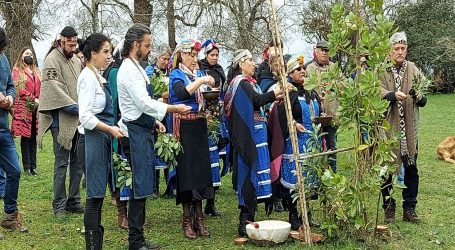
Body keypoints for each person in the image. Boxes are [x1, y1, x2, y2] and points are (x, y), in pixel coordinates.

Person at [117, 24, 191, 250]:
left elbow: (142, 107)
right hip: (134, 133)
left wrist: (154, 121)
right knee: (139, 188)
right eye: (147, 45)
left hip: (143, 127)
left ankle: (138, 239)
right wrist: (172, 110)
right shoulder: (128, 69)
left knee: (143, 186)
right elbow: (142, 103)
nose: (150, 49)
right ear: (135, 45)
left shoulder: (137, 67)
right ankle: (135, 242)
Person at [224, 49, 285, 236]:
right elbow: (257, 100)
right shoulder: (240, 84)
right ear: (241, 64)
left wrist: (276, 98)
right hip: (248, 138)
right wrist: (275, 93)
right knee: (248, 173)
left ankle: (251, 216)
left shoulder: (251, 83)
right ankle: (245, 220)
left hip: (258, 136)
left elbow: (259, 103)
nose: (254, 63)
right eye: (250, 60)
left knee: (257, 173)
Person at [77, 33, 125, 249]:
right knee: (94, 196)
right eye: (105, 51)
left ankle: (96, 243)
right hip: (93, 139)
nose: (109, 55)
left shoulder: (98, 75)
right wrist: (109, 129)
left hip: (102, 138)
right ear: (92, 54)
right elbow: (85, 117)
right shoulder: (87, 77)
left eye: (109, 51)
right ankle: (92, 245)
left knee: (98, 195)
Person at [169, 39, 216, 240]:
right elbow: (180, 93)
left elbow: (201, 95)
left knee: (201, 172)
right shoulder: (176, 74)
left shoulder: (195, 74)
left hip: (199, 125)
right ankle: (187, 219)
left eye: (196, 55)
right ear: (181, 55)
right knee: (187, 173)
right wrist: (202, 81)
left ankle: (199, 217)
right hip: (184, 126)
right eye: (190, 55)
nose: (194, 59)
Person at [268, 55, 322, 230]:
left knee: (308, 179)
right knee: (295, 181)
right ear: (290, 73)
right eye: (299, 69)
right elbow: (279, 114)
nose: (303, 71)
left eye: (303, 68)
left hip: (312, 140)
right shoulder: (288, 91)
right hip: (295, 141)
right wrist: (293, 124)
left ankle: (306, 214)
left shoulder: (310, 92)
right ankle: (293, 215)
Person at [380, 32, 427, 224]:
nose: (400, 52)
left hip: (409, 129)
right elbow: (376, 91)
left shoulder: (413, 69)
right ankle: (389, 209)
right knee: (388, 170)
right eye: (396, 48)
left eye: (403, 48)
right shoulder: (382, 69)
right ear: (390, 50)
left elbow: (424, 99)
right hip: (389, 128)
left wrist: (417, 95)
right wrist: (391, 95)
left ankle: (410, 209)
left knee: (411, 168)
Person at [37, 26, 84, 217]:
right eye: (70, 44)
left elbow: (80, 84)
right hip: (60, 120)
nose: (73, 48)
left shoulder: (75, 60)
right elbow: (52, 89)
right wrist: (74, 106)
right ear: (62, 40)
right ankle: (59, 204)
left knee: (78, 162)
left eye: (75, 44)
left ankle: (74, 201)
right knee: (62, 163)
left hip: (77, 119)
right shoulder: (51, 59)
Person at [0, 27, 28, 238]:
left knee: (15, 171)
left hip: (3, 128)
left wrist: (10, 98)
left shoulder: (3, 60)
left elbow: (10, 86)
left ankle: (9, 216)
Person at [102, 40, 129, 230]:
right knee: (120, 167)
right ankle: (122, 212)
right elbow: (115, 102)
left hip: (132, 126)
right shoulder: (114, 71)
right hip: (118, 126)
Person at [199, 39, 226, 217]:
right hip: (203, 116)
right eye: (211, 55)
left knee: (215, 160)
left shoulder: (220, 71)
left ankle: (211, 203)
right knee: (206, 161)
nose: (214, 58)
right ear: (206, 55)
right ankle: (200, 203)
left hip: (217, 115)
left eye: (216, 55)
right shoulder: (200, 70)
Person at [145, 44, 173, 197]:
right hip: (154, 113)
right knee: (154, 147)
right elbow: (147, 93)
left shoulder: (171, 72)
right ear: (157, 57)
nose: (166, 62)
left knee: (168, 146)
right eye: (163, 58)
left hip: (168, 114)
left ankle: (170, 186)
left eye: (168, 59)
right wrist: (161, 96)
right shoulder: (149, 72)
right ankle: (153, 187)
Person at [306, 40, 338, 172]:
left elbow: (345, 84)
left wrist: (333, 83)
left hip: (331, 115)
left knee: (332, 146)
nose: (325, 53)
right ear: (316, 51)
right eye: (322, 50)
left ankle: (332, 174)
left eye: (327, 50)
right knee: (317, 144)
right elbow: (307, 88)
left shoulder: (334, 67)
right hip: (317, 116)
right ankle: (318, 174)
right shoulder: (309, 68)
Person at [11, 47, 41, 176]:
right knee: (26, 137)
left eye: (31, 54)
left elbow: (41, 86)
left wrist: (39, 98)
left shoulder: (36, 71)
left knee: (34, 136)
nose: (29, 55)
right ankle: (27, 166)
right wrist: (33, 98)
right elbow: (20, 89)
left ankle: (34, 166)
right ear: (21, 55)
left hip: (36, 107)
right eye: (26, 53)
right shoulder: (17, 71)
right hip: (24, 107)